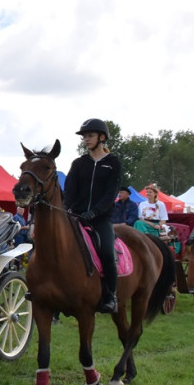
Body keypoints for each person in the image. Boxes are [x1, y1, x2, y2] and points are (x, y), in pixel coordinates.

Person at [63, 118, 121, 314]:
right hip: (76, 216)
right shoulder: (79, 163)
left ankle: (111, 295)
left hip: (100, 218)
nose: (86, 139)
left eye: (90, 136)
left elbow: (110, 194)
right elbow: (70, 190)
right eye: (84, 136)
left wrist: (94, 212)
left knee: (106, 251)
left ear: (102, 137)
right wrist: (67, 209)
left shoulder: (113, 163)